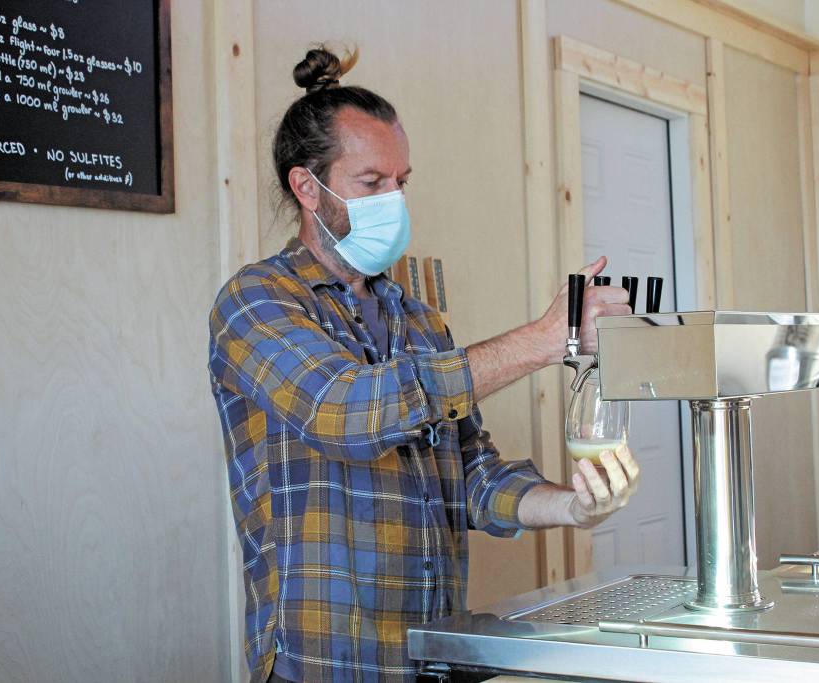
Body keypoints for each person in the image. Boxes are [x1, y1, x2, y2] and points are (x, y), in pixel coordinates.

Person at [209, 46, 640, 683]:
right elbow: (348, 411)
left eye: (401, 182)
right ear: (307, 186)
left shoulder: (421, 322)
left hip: (434, 658)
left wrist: (571, 507)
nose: (394, 199)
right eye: (371, 183)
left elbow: (470, 477)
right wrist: (542, 340)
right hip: (325, 664)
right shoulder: (255, 303)